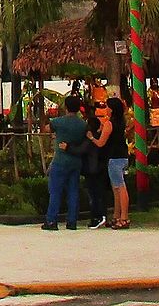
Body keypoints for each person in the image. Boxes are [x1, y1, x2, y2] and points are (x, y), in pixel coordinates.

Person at [44, 96, 90, 230]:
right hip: (76, 161)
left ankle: (52, 220)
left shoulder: (59, 122)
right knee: (73, 191)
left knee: (55, 191)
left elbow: (47, 128)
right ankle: (72, 221)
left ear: (66, 107)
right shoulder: (82, 124)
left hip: (60, 160)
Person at [82, 99, 115, 229]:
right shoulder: (101, 136)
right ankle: (103, 216)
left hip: (93, 169)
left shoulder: (91, 140)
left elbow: (83, 150)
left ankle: (97, 217)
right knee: (101, 194)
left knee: (94, 195)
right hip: (101, 168)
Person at [105, 96, 132, 229]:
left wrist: (91, 137)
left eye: (107, 107)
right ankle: (117, 215)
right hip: (122, 156)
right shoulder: (121, 122)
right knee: (116, 188)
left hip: (114, 158)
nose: (106, 109)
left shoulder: (109, 124)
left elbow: (101, 142)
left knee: (120, 188)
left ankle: (124, 217)